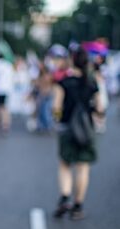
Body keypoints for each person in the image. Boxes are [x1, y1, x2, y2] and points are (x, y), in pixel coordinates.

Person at [52, 46, 104, 220]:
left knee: (65, 164)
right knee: (83, 167)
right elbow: (99, 108)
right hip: (86, 129)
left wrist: (58, 119)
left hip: (67, 128)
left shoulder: (63, 82)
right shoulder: (91, 82)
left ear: (71, 61)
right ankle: (78, 206)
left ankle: (65, 196)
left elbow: (56, 107)